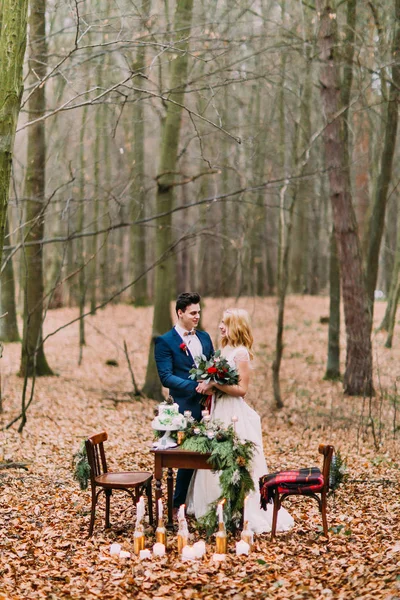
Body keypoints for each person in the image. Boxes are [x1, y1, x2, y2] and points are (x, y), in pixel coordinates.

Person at [186, 308, 294, 534]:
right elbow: (217, 380)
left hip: (233, 413)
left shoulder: (241, 353)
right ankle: (215, 508)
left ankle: (239, 509)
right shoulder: (223, 349)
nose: (220, 326)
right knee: (215, 457)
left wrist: (215, 384)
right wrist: (207, 385)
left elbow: (241, 389)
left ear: (235, 325)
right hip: (217, 410)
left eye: (225, 323)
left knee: (235, 459)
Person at [154, 292, 214, 509]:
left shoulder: (205, 338)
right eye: (193, 313)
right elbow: (166, 376)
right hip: (184, 409)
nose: (197, 316)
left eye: (199, 312)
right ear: (180, 313)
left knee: (210, 456)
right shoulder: (165, 341)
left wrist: (213, 384)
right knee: (187, 460)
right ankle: (177, 504)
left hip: (211, 406)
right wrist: (196, 387)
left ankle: (206, 504)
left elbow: (212, 366)